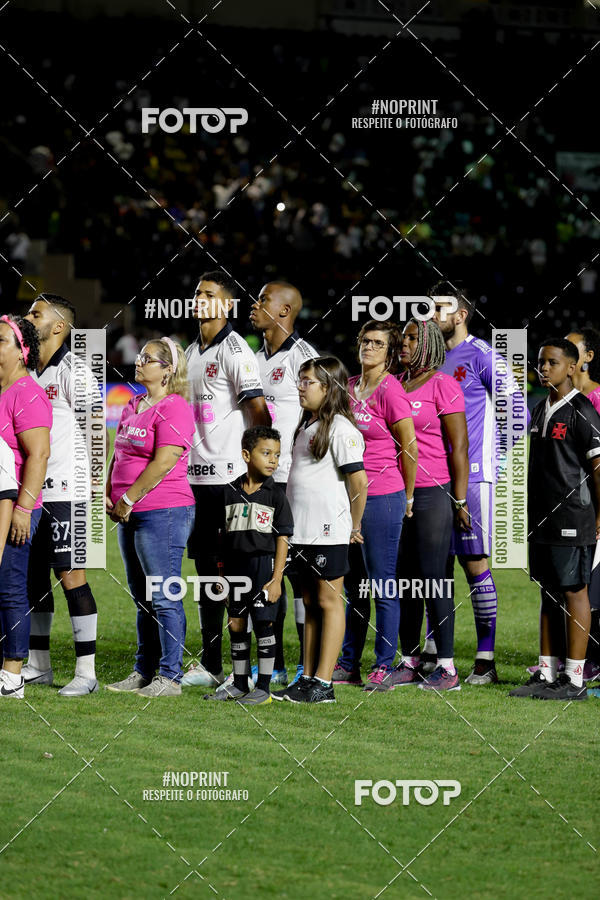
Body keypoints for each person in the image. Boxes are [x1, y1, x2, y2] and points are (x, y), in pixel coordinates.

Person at [433, 281, 524, 685]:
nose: (433, 316)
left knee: (474, 564)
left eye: (440, 309)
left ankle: (485, 660)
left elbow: (517, 414)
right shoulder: (430, 359)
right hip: (434, 478)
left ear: (461, 314)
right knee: (434, 566)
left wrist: (494, 464)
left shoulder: (485, 355)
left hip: (473, 479)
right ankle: (437, 654)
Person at [183, 271, 271, 688]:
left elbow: (259, 412)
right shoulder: (189, 351)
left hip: (229, 479)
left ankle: (242, 667)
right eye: (198, 293)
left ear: (228, 305)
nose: (200, 299)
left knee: (235, 573)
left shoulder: (236, 349)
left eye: (210, 294)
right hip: (195, 480)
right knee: (206, 573)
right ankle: (212, 662)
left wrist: (253, 470)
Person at [273, 357, 368, 704]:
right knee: (310, 603)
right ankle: (308, 677)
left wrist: (353, 525)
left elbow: (359, 481)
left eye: (308, 381)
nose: (300, 386)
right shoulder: (306, 425)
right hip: (301, 531)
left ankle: (324, 685)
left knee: (329, 602)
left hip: (328, 532)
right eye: (300, 380)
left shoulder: (342, 428)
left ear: (328, 388)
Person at [510, 339, 600, 701]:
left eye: (552, 362)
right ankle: (546, 673)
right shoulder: (539, 408)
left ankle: (574, 680)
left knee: (574, 591)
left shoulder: (582, 412)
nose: (543, 368)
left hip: (573, 518)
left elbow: (598, 469)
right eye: (540, 363)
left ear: (572, 366)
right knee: (548, 591)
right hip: (541, 520)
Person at [105, 337, 195, 697]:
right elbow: (119, 451)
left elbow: (164, 462)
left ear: (168, 368)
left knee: (164, 594)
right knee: (142, 598)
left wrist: (126, 497)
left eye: (148, 358)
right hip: (127, 512)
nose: (139, 361)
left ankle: (170, 676)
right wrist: (108, 492)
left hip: (164, 510)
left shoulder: (175, 407)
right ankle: (143, 671)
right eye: (140, 356)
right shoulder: (133, 403)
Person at [22, 294, 102, 695]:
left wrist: (93, 487)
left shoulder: (76, 370)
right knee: (33, 579)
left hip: (67, 492)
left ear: (58, 327)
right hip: (31, 492)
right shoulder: (25, 370)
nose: (26, 317)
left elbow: (96, 431)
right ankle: (39, 666)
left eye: (35, 313)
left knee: (71, 577)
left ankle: (86, 674)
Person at [332, 321, 417, 691]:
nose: (368, 347)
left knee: (382, 584)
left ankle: (384, 665)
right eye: (365, 341)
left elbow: (408, 446)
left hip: (383, 496)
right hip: (347, 497)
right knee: (353, 587)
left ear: (390, 352)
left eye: (377, 343)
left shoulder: (391, 390)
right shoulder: (348, 386)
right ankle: (348, 663)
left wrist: (409, 496)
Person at [395, 318, 470, 692]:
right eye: (402, 337)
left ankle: (447, 667)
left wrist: (460, 499)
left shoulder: (444, 384)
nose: (403, 343)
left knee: (434, 578)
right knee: (404, 577)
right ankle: (409, 660)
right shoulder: (394, 383)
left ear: (427, 342)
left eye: (411, 337)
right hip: (396, 492)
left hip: (433, 491)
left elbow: (459, 448)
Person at [251, 280, 317, 686]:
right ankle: (270, 663)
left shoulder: (304, 358)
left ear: (285, 310)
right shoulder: (252, 357)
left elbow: (324, 416)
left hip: (293, 481)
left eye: (262, 300)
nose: (254, 306)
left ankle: (302, 664)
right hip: (259, 481)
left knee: (296, 574)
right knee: (263, 570)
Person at [204, 426, 293, 706]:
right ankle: (239, 683)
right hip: (233, 569)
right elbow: (221, 538)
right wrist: (221, 575)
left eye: (276, 455)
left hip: (263, 568)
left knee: (264, 623)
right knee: (237, 624)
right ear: (246, 454)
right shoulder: (229, 493)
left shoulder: (276, 494)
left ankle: (264, 688)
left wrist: (277, 578)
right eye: (266, 453)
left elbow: (282, 538)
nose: (272, 460)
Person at [0, 315, 52, 701]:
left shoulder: (27, 393)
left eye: (1, 340)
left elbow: (39, 454)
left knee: (10, 584)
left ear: (22, 350)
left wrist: (23, 508)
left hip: (14, 502)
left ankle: (13, 673)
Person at [566, 327, 600, 680]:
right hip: (570, 507)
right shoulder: (559, 400)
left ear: (587, 358)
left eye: (573, 348)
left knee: (590, 586)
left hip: (592, 507)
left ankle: (588, 662)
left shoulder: (597, 400)